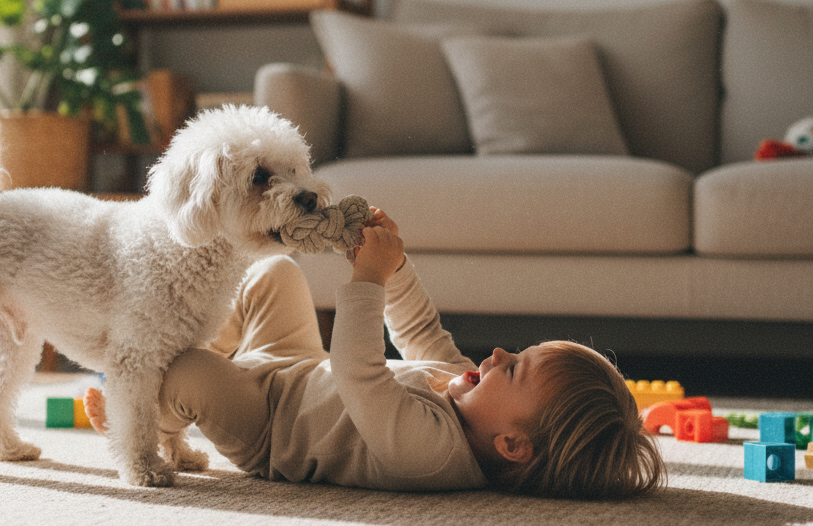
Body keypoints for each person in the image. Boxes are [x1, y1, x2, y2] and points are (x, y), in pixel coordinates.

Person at [83, 209, 666, 499]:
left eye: (512, 368)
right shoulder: (466, 391)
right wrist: (394, 261)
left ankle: (141, 413)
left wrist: (366, 280)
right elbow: (417, 329)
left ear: (511, 446)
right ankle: (180, 347)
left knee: (197, 377)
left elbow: (359, 374)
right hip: (293, 368)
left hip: (268, 428)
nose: (496, 353)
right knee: (276, 273)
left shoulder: (432, 454)